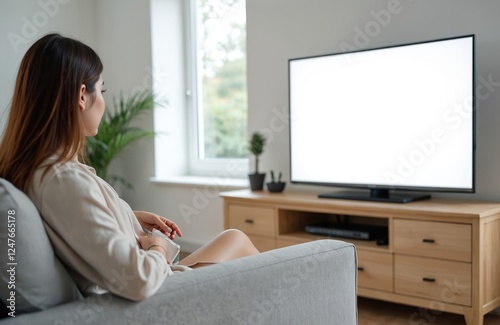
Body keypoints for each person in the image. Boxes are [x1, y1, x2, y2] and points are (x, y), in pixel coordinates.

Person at [0, 33, 259, 301]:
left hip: (155, 285)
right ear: (81, 95)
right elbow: (139, 280)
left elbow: (79, 222)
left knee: (234, 239)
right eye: (101, 90)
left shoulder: (36, 170)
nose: (102, 100)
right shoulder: (63, 180)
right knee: (245, 250)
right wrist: (158, 245)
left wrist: (127, 216)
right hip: (161, 297)